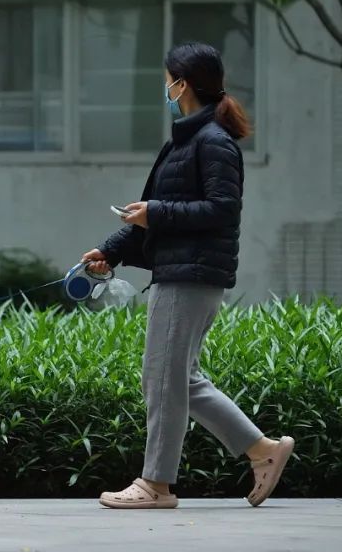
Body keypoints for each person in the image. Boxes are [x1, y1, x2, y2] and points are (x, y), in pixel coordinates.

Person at [82, 42, 294, 509]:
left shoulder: (212, 142)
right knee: (180, 379)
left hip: (190, 277)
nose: (165, 87)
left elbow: (221, 210)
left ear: (183, 84)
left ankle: (155, 484)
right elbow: (157, 219)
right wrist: (111, 251)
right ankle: (263, 451)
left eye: (167, 79)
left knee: (162, 379)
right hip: (184, 271)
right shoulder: (187, 141)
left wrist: (154, 212)